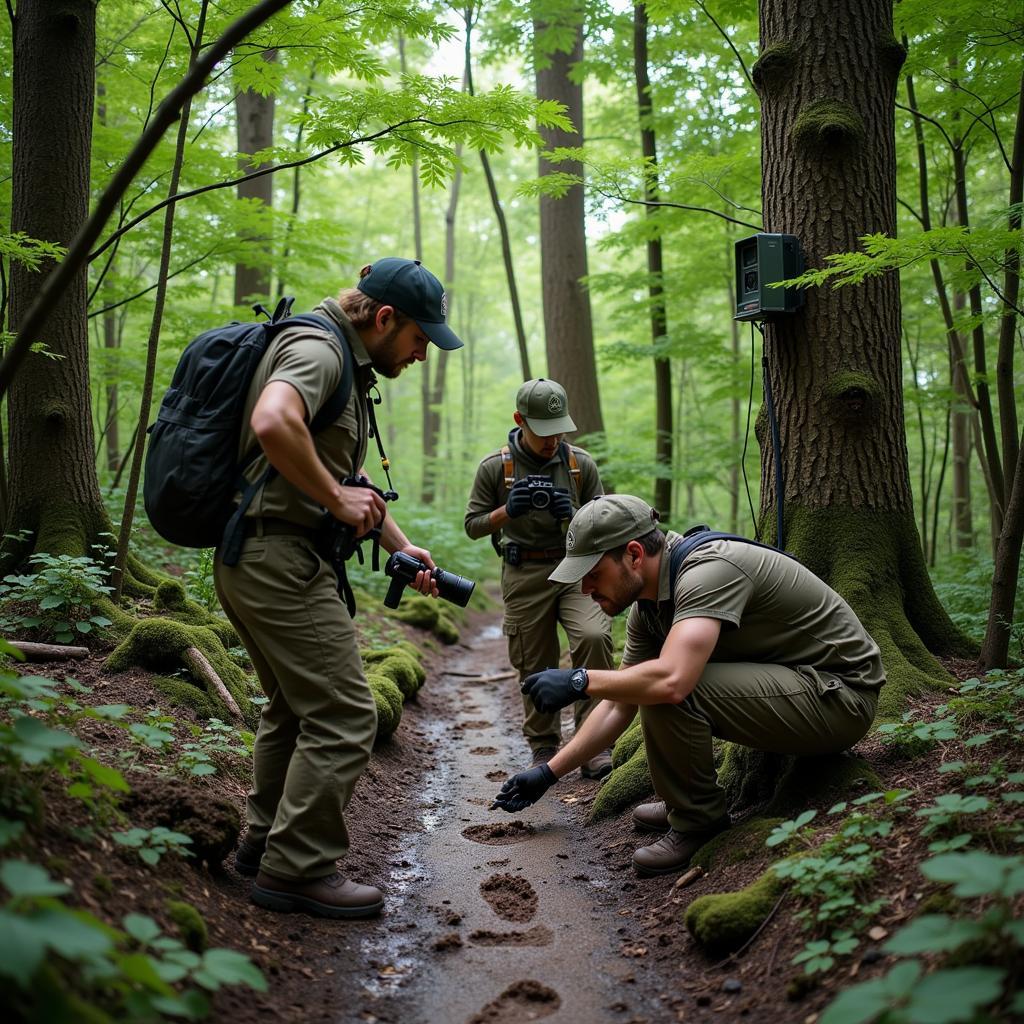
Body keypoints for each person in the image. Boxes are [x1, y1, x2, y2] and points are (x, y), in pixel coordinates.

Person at [215, 258, 462, 918]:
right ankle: (296, 869)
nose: (420, 356)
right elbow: (273, 424)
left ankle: (264, 844)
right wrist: (332, 496)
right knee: (347, 713)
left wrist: (400, 545)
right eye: (418, 340)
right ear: (385, 319)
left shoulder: (341, 365)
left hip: (266, 554)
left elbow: (345, 484)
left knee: (295, 709)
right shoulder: (319, 350)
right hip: (279, 558)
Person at [491, 494, 884, 876]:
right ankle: (682, 799)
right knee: (645, 684)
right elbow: (617, 705)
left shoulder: (708, 570)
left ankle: (697, 822)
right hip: (800, 689)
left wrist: (581, 679)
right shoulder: (649, 608)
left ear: (633, 554)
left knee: (669, 687)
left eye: (593, 574)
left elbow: (672, 682)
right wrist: (547, 773)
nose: (584, 590)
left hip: (841, 696)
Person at [464, 378, 615, 778]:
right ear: (520, 420)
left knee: (595, 636)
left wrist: (575, 512)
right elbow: (473, 525)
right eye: (544, 432)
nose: (553, 440)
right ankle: (543, 746)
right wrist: (506, 511)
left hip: (577, 570)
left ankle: (594, 743)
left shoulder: (581, 465)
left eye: (559, 430)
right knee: (534, 660)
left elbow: (605, 526)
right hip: (524, 573)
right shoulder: (495, 468)